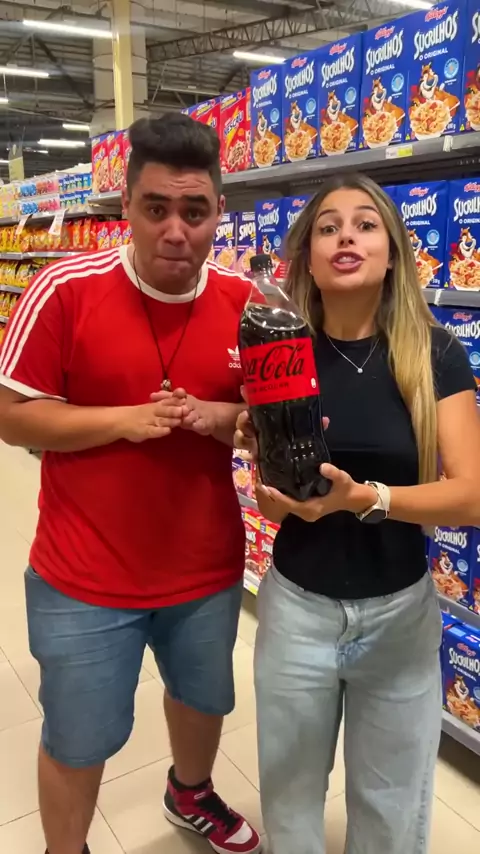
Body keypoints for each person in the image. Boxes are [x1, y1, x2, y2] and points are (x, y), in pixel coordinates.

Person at [0, 114, 261, 854]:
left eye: (195, 211)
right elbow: (11, 417)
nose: (175, 231)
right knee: (77, 737)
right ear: (127, 208)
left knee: (203, 699)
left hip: (206, 569)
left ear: (219, 212)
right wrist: (122, 421)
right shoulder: (63, 288)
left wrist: (226, 417)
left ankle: (190, 793)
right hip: (83, 575)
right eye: (156, 209)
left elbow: (268, 424)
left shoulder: (247, 303)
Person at [235, 173, 480, 854]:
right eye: (328, 227)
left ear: (393, 252)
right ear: (308, 259)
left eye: (366, 224)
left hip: (400, 617)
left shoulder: (435, 353)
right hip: (297, 612)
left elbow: (472, 495)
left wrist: (365, 498)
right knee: (290, 802)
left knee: (391, 811)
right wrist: (269, 478)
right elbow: (274, 482)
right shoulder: (280, 350)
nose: (346, 236)